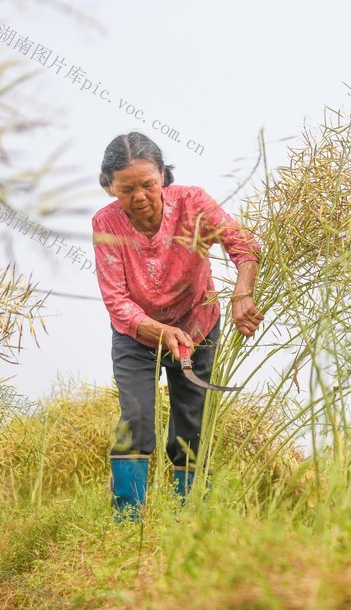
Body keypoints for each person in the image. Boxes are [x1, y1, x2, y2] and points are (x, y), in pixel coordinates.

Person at [92, 132, 263, 522]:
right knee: (135, 417)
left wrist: (242, 294)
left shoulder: (193, 203)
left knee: (192, 424)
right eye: (127, 189)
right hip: (137, 336)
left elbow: (244, 246)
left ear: (163, 177)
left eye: (149, 185)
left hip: (198, 328)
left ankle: (188, 520)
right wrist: (160, 332)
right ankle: (127, 521)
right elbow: (117, 300)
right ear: (109, 187)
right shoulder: (106, 223)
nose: (140, 197)